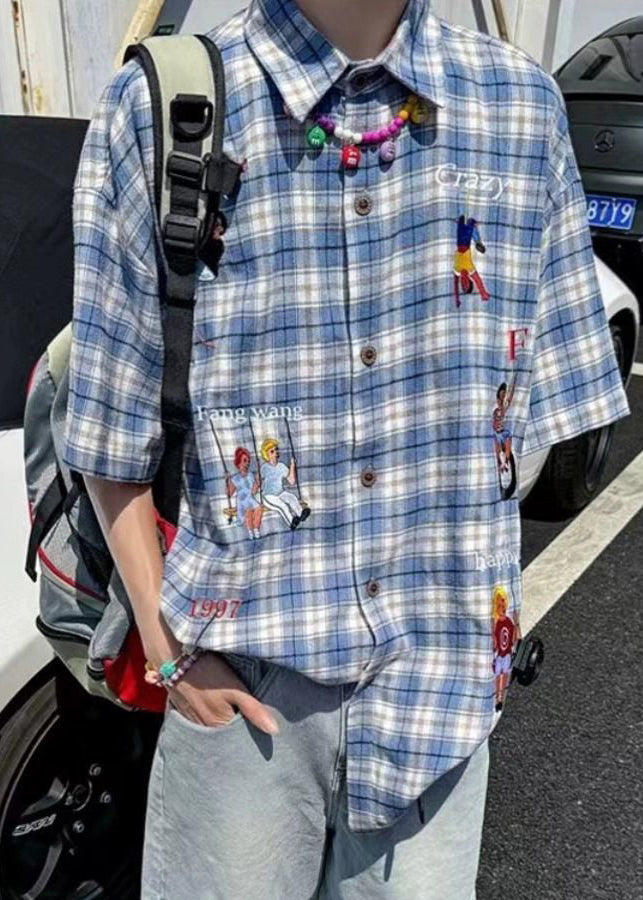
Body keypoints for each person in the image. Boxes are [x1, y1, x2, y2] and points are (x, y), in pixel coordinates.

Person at [63, 0, 631, 897]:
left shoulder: (517, 110)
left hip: (437, 704)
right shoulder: (167, 109)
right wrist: (172, 658)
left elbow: (531, 422)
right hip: (239, 702)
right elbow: (107, 429)